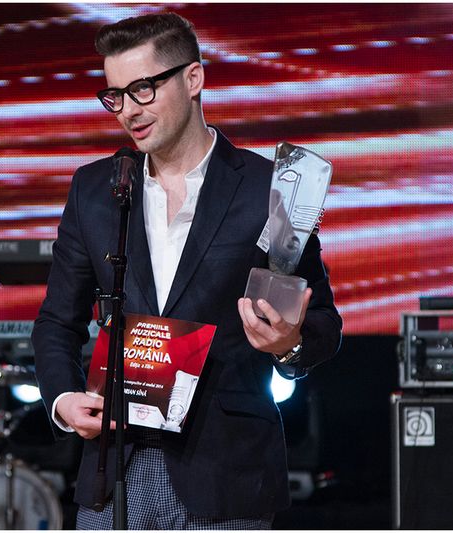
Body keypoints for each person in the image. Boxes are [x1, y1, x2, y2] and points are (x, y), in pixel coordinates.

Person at [32, 12, 342, 530]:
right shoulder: (96, 190)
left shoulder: (269, 188)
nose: (129, 111)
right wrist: (63, 399)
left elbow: (324, 324)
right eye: (115, 96)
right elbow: (55, 322)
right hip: (115, 468)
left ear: (193, 78)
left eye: (143, 89)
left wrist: (287, 344)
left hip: (225, 475)